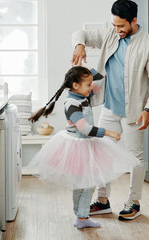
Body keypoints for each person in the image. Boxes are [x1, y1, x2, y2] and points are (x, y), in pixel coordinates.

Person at [71, 0, 149, 221]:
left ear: (134, 21)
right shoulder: (110, 35)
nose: (117, 30)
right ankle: (103, 201)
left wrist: (148, 109)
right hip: (110, 107)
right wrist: (80, 45)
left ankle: (134, 202)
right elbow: (80, 32)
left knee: (135, 157)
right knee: (102, 153)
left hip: (134, 111)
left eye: (121, 26)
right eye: (114, 25)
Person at [28, 66, 139, 229]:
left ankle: (81, 215)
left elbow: (100, 79)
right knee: (84, 183)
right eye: (88, 85)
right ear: (75, 85)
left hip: (86, 145)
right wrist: (108, 132)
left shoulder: (82, 95)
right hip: (78, 146)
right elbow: (85, 129)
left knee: (86, 182)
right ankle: (81, 215)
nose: (91, 88)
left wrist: (86, 66)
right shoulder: (72, 104)